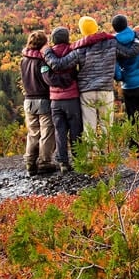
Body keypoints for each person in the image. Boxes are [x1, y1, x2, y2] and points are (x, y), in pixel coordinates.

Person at [41, 26, 84, 172]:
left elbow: (45, 75)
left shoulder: (47, 55)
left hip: (55, 100)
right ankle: (78, 159)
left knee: (59, 131)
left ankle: (63, 163)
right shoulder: (73, 52)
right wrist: (69, 78)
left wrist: (58, 82)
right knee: (75, 130)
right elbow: (79, 72)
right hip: (72, 98)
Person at [18, 31, 57, 176]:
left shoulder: (23, 60)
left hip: (28, 100)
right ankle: (45, 162)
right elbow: (48, 80)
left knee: (33, 132)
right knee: (46, 132)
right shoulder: (42, 61)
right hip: (43, 99)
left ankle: (30, 162)